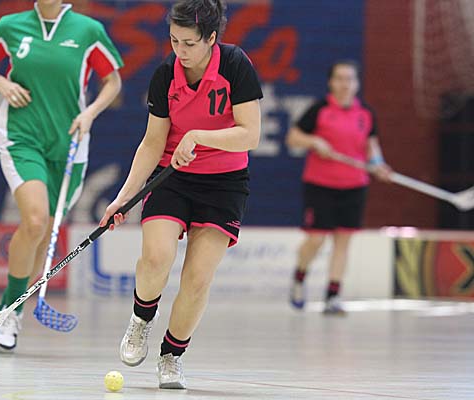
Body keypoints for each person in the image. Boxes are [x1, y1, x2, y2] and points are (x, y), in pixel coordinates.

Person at [99, 0, 262, 389]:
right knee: (156, 257)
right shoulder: (165, 75)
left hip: (224, 183)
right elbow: (152, 142)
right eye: (174, 40)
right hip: (172, 176)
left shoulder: (235, 66)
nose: (180, 51)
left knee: (198, 279)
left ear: (211, 38)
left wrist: (198, 136)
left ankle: (171, 356)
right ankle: (142, 318)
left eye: (189, 43)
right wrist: (123, 198)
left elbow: (250, 134)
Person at [0, 0, 123, 352]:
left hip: (69, 141)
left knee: (45, 234)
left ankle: (10, 303)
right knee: (35, 219)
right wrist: (0, 83)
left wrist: (90, 113)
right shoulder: (11, 26)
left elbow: (112, 81)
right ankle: (11, 313)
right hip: (22, 135)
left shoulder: (88, 30)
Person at [285, 60, 391, 315]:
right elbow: (293, 138)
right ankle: (299, 276)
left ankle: (333, 295)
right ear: (331, 82)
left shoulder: (365, 113)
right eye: (340, 78)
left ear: (357, 83)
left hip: (354, 186)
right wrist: (314, 141)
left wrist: (378, 164)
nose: (345, 84)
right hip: (320, 185)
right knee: (316, 239)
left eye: (350, 79)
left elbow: (372, 147)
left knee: (343, 241)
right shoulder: (319, 109)